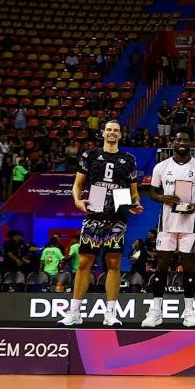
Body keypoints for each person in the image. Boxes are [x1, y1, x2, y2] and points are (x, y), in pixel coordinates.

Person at [58, 120, 144, 326]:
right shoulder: (90, 155)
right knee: (84, 263)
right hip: (93, 214)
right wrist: (77, 201)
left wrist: (136, 204)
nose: (112, 133)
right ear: (103, 133)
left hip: (117, 217)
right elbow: (77, 185)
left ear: (120, 135)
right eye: (109, 130)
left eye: (116, 130)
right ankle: (75, 312)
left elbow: (134, 193)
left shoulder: (129, 159)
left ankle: (110, 313)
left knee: (114, 264)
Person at [141, 131, 195, 328]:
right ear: (173, 142)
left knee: (189, 267)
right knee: (161, 266)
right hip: (167, 224)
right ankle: (156, 312)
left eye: (185, 140)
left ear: (191, 143)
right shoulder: (161, 167)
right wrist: (162, 197)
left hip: (190, 224)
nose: (182, 142)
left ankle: (189, 312)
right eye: (179, 139)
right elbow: (152, 192)